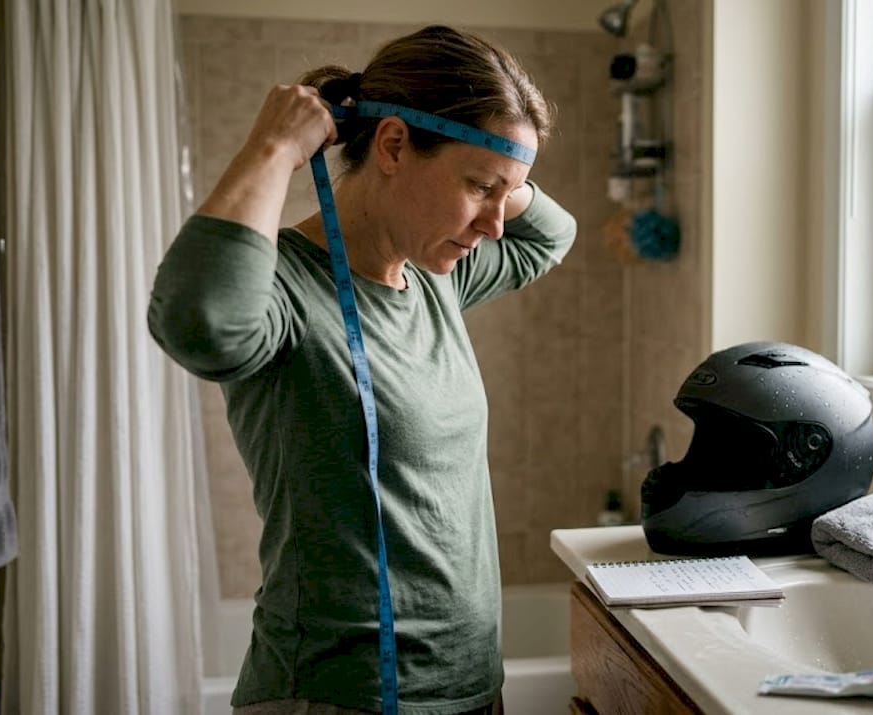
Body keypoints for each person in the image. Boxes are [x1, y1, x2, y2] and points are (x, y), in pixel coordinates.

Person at [147, 25, 577, 715]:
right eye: (478, 188)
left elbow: (552, 235)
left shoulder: (437, 278)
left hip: (470, 688)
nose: (496, 224)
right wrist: (276, 148)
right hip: (339, 694)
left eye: (506, 196)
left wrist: (502, 170)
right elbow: (199, 321)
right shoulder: (284, 289)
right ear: (395, 146)